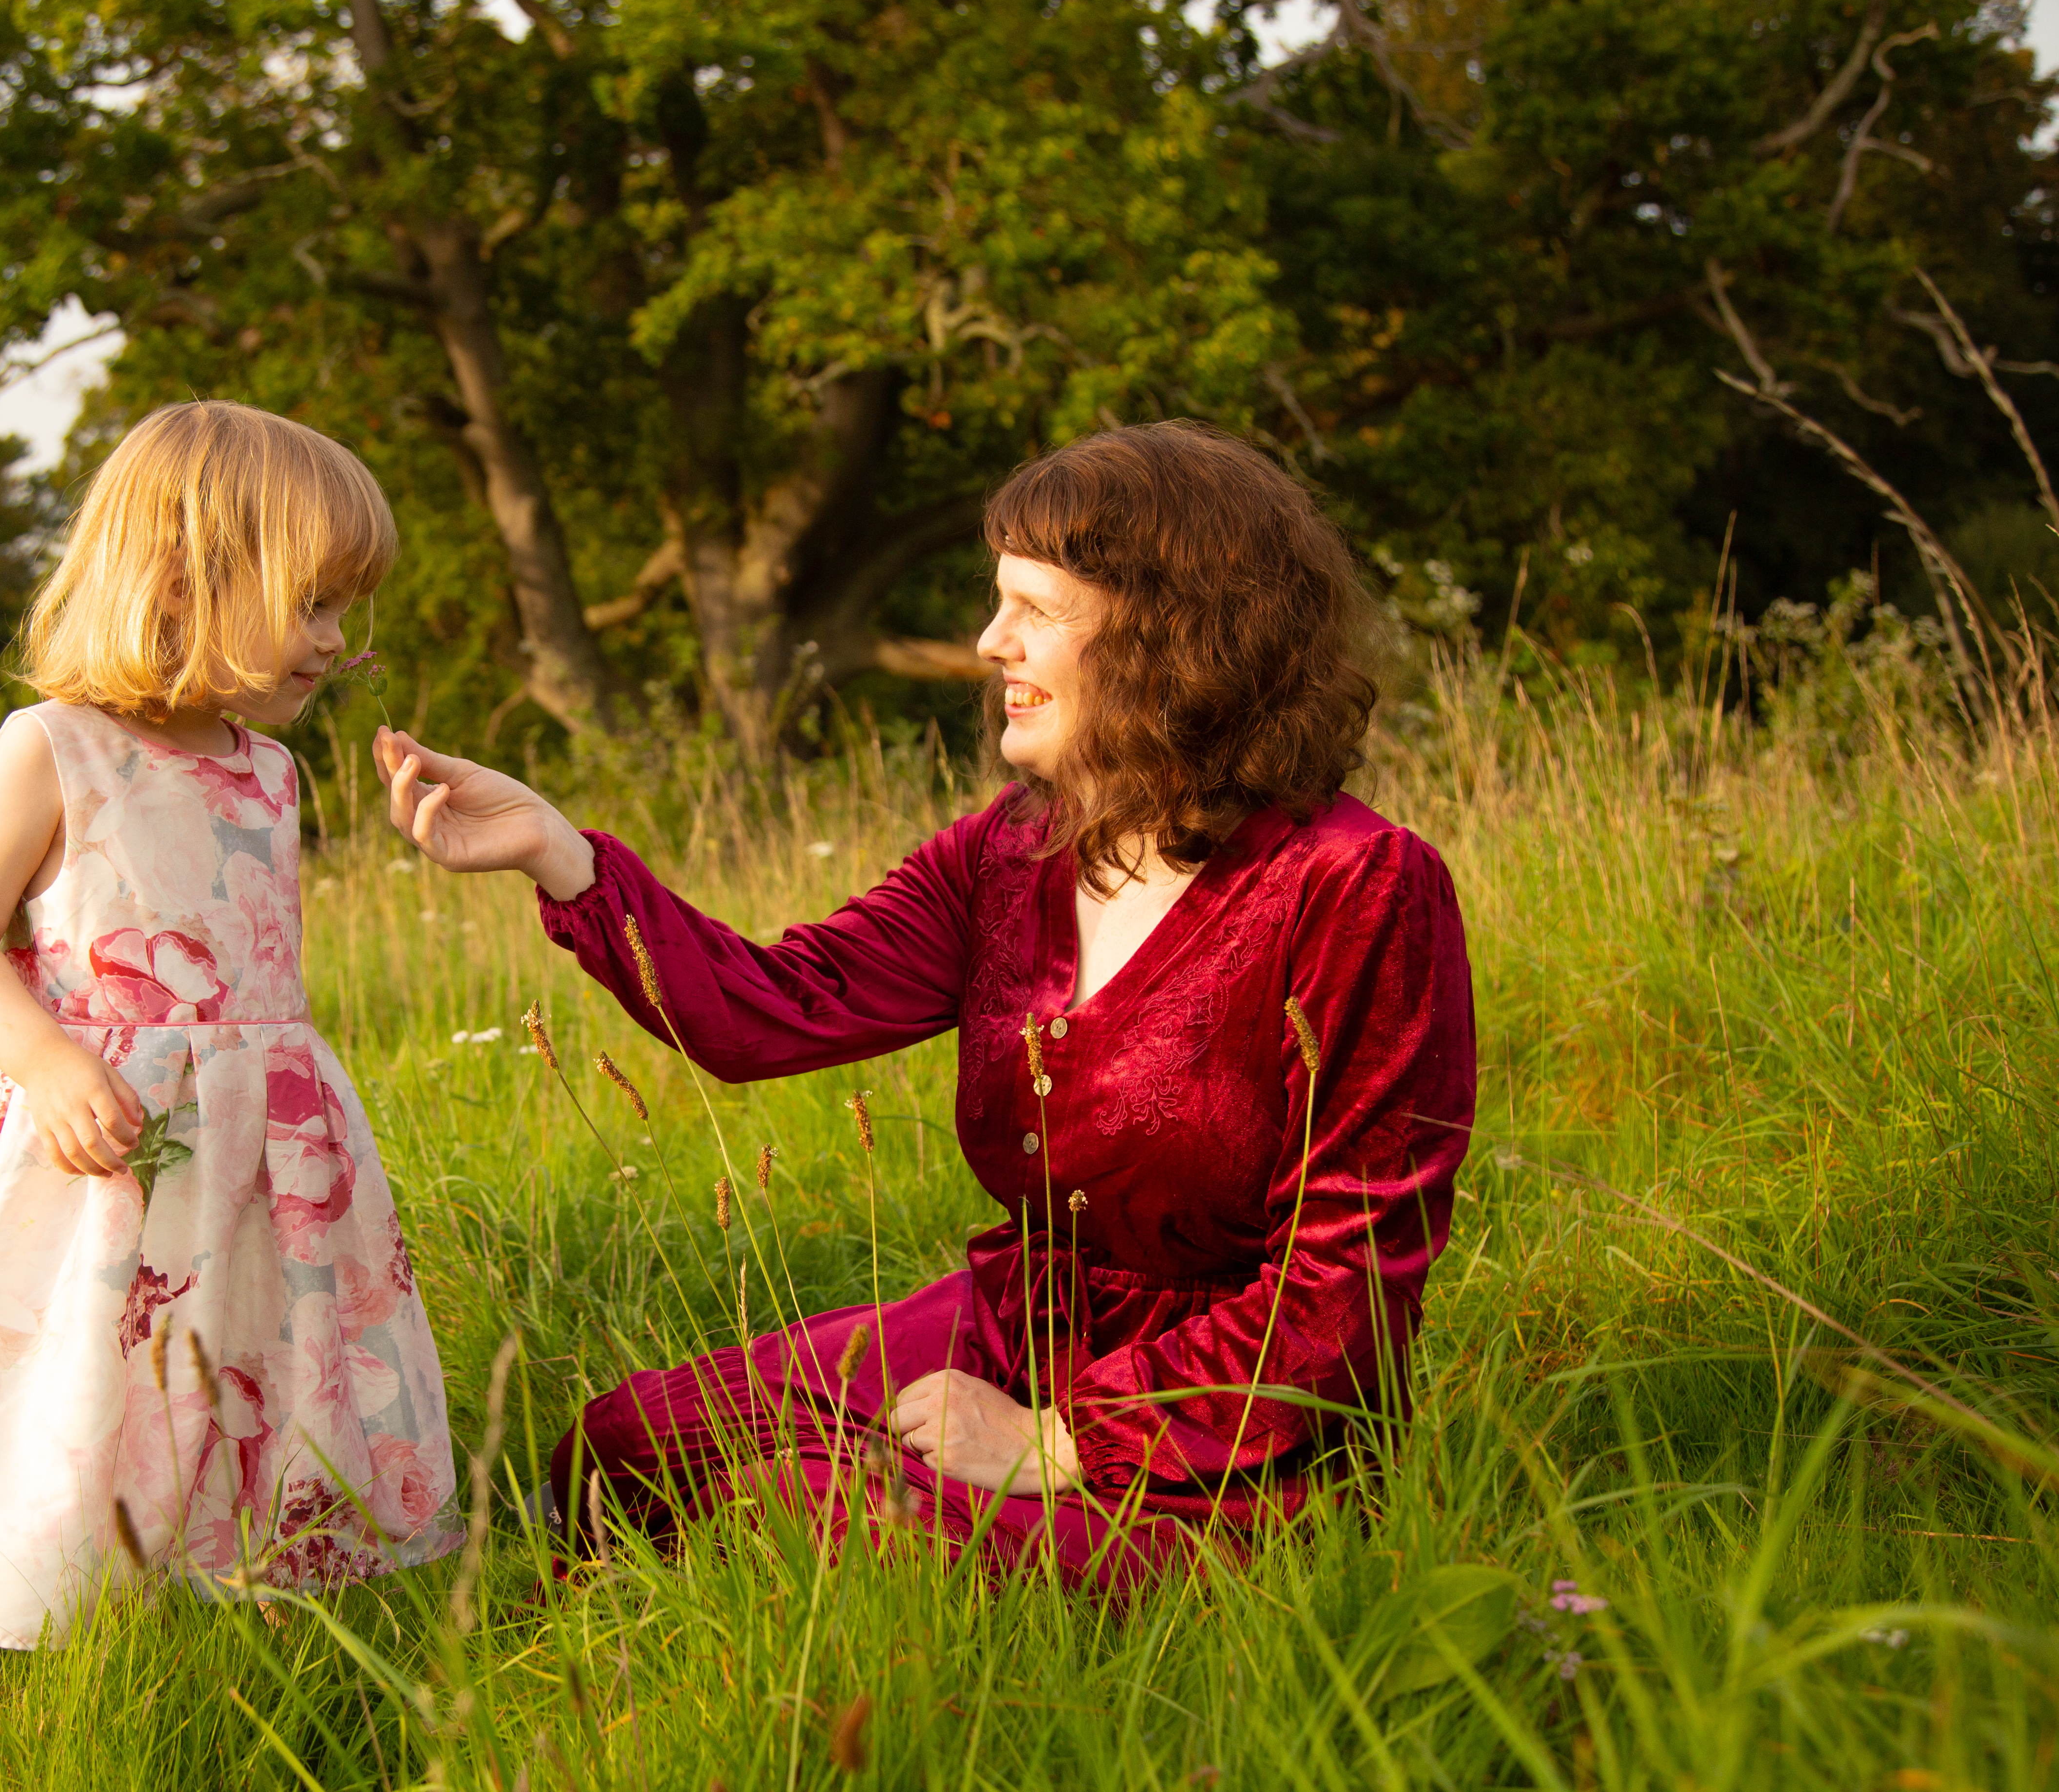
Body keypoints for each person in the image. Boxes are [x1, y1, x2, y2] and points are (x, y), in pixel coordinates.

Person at [373, 420, 1476, 1594]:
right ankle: (534, 1611)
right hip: (1017, 1323)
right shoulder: (1010, 852)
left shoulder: (1357, 887)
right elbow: (769, 1009)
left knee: (818, 1503)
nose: (992, 641)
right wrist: (563, 858)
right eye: (998, 603)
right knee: (630, 1443)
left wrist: (1058, 1442)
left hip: (1235, 1429)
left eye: (1034, 609)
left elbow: (1348, 1291)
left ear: (1175, 632)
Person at [0, 402, 461, 1649]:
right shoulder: (55, 750)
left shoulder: (272, 771)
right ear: (182, 576)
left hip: (271, 1144)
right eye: (312, 603)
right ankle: (78, 1615)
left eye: (344, 608)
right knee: (98, 1376)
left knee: (275, 1354)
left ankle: (265, 1584)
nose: (336, 640)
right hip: (112, 1142)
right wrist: (45, 1063)